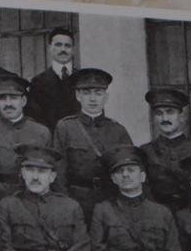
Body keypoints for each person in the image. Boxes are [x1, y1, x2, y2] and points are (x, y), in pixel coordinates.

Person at [89, 145, 184, 251]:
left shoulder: (162, 212)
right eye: (119, 171)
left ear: (143, 176)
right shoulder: (102, 210)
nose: (125, 175)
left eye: (131, 170)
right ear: (113, 179)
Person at [0, 145, 90, 251]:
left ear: (52, 177)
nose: (35, 177)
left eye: (42, 171)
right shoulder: (8, 205)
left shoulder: (71, 207)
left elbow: (82, 249)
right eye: (30, 170)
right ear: (22, 173)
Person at [52, 68, 133, 220]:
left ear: (106, 97)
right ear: (78, 96)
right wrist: (65, 203)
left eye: (98, 93)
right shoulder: (66, 127)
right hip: (77, 200)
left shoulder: (118, 130)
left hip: (111, 200)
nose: (93, 99)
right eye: (86, 93)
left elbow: (129, 169)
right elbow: (59, 170)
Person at [0, 73, 52, 201]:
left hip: (30, 199)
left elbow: (49, 172)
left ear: (23, 101)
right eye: (2, 98)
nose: (8, 103)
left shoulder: (41, 132)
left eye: (14, 98)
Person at [140, 89, 191, 211]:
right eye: (159, 113)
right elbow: (143, 192)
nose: (164, 118)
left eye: (170, 112)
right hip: (157, 216)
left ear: (181, 116)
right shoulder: (145, 152)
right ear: (154, 118)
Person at [28, 27, 80, 130]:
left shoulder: (82, 78)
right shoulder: (38, 82)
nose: (63, 50)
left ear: (73, 49)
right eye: (58, 45)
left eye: (67, 46)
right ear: (49, 48)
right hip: (51, 137)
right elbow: (35, 118)